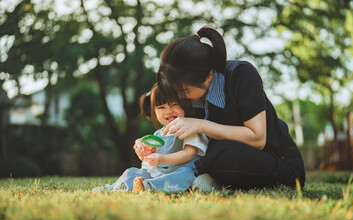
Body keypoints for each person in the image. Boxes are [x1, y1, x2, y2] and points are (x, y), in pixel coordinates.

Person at [134, 26, 305, 190]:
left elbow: (258, 139)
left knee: (219, 155)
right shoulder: (186, 93)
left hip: (277, 161)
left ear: (209, 75)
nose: (180, 96)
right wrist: (149, 147)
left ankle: (208, 179)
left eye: (185, 91)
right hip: (216, 159)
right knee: (208, 157)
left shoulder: (241, 74)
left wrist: (200, 125)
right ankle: (203, 181)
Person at [93, 83, 208, 193]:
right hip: (158, 173)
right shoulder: (158, 134)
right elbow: (149, 161)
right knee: (131, 172)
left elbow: (189, 154)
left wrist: (162, 159)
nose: (168, 111)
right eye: (161, 107)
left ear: (186, 105)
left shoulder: (190, 128)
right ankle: (113, 188)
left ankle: (151, 187)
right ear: (154, 111)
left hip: (179, 172)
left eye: (174, 104)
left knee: (185, 174)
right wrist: (147, 154)